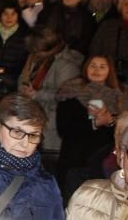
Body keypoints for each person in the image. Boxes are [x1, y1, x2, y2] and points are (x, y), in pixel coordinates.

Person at [55, 54, 128, 200]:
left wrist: (109, 122)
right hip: (75, 159)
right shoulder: (70, 91)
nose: (97, 70)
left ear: (110, 70)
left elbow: (126, 131)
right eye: (93, 65)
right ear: (85, 68)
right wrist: (94, 124)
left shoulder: (119, 95)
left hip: (105, 162)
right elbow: (64, 129)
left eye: (102, 66)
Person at [17, 28, 84, 170]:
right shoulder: (36, 59)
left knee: (48, 165)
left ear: (50, 49)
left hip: (52, 121)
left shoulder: (67, 65)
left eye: (37, 51)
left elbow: (66, 95)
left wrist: (37, 94)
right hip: (33, 116)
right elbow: (24, 78)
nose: (35, 54)